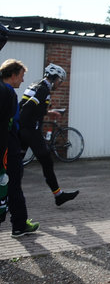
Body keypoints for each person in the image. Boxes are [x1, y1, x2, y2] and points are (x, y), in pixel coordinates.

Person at [18, 63, 79, 208]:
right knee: (47, 162)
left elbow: (24, 105)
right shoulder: (43, 89)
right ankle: (58, 196)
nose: (60, 84)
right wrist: (28, 125)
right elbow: (26, 109)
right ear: (55, 78)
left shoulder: (35, 85)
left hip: (23, 131)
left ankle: (6, 197)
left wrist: (48, 112)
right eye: (60, 81)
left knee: (15, 165)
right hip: (31, 131)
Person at [1, 59, 41, 236]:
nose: (23, 81)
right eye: (22, 76)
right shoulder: (8, 92)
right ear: (14, 75)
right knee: (14, 183)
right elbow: (11, 122)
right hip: (9, 146)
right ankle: (19, 225)